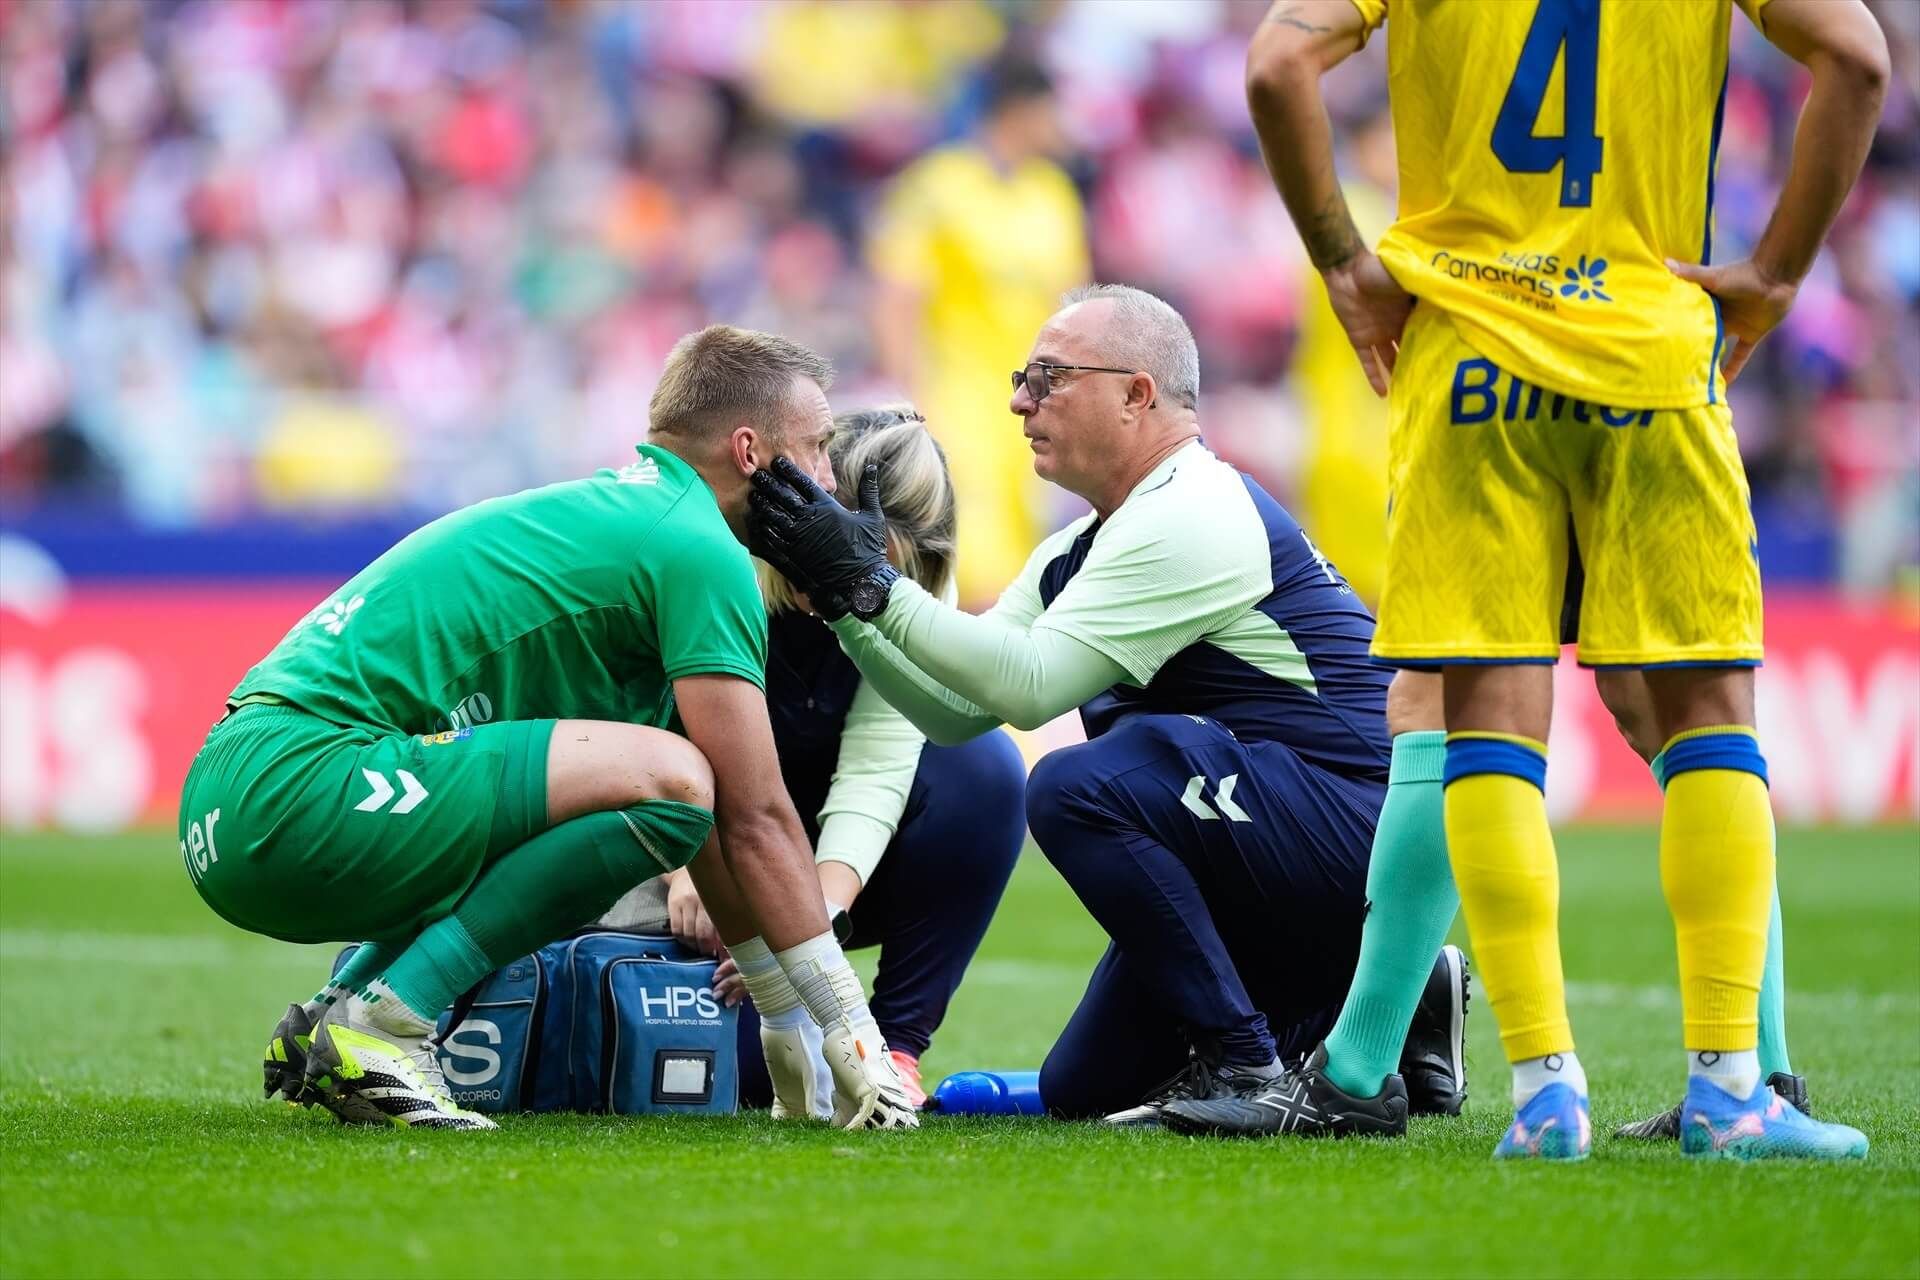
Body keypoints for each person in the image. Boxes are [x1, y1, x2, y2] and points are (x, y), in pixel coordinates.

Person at [1193, 0, 1887, 1161]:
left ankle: (1541, 1087)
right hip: (1651, 359)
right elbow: (1860, 56)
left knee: (1479, 720)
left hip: (1469, 367)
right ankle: (1736, 1080)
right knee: (1707, 715)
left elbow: (1275, 66)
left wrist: (1345, 263)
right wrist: (1772, 274)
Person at [749, 283, 1466, 1124]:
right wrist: (846, 603)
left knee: (1073, 785)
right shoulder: (1084, 542)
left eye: (1050, 377)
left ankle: (1250, 1066)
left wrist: (868, 585)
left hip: (1354, 826)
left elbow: (1026, 686)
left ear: (1138, 394)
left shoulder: (1194, 508)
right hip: (1268, 838)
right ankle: (1387, 996)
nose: (1021, 400)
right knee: (1082, 1088)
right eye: (1025, 377)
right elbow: (953, 711)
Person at [184, 324, 919, 1131]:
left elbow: (704, 821)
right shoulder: (698, 550)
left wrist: (782, 1015)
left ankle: (337, 1009)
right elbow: (754, 813)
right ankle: (389, 1023)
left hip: (238, 794)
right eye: (816, 449)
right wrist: (852, 1029)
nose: (827, 478)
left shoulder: (628, 518)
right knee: (672, 783)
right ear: (752, 452)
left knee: (661, 785)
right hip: (297, 786)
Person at [629, 405, 1028, 1110]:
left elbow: (877, 772)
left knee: (985, 767)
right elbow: (643, 725)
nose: (857, 586)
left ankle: (895, 1045)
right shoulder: (724, 564)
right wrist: (692, 870)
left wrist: (812, 930)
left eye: (884, 573)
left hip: (803, 856)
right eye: (846, 560)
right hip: (684, 829)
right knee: (740, 1082)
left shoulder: (918, 589)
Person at [869, 53, 1090, 604]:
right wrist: (912, 399)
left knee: (1022, 568)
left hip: (1031, 409)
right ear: (1021, 109)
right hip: (958, 402)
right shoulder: (937, 185)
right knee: (973, 571)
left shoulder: (1052, 194)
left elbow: (1074, 307)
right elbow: (897, 297)